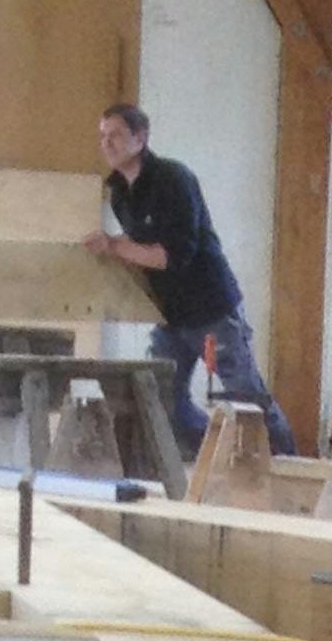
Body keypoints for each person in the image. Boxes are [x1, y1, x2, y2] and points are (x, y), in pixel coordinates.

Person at [85, 101, 295, 466]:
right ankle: (213, 454)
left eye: (116, 135)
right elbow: (142, 250)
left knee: (245, 395)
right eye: (103, 136)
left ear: (141, 137)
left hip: (211, 309)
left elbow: (171, 256)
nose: (108, 144)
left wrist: (115, 246)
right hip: (170, 314)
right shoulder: (118, 191)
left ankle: (291, 468)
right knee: (161, 396)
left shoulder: (173, 179)